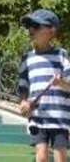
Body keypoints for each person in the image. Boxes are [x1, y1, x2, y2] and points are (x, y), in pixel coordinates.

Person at [18, 9, 70, 162]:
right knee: (41, 158)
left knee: (60, 158)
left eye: (36, 26)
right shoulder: (27, 58)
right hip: (38, 116)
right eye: (29, 26)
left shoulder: (61, 55)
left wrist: (60, 83)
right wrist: (23, 102)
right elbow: (22, 86)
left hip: (59, 117)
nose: (31, 30)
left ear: (51, 31)